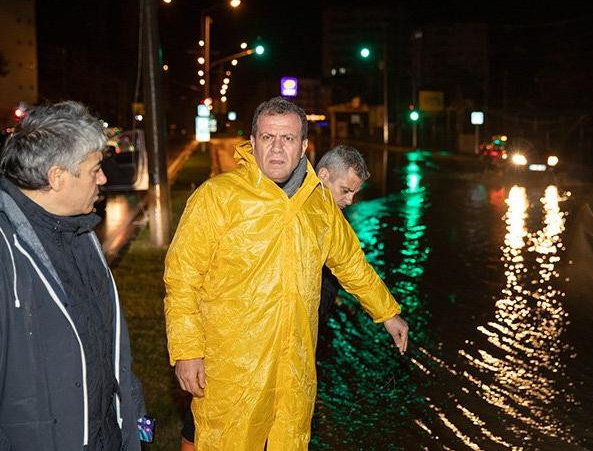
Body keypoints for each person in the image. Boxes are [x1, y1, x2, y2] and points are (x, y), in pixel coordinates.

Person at [164, 97, 408, 450]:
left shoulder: (320, 206)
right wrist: (187, 351)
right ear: (253, 141)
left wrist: (388, 313)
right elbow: (182, 278)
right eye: (268, 137)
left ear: (303, 146)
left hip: (293, 372)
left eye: (288, 139)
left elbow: (351, 263)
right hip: (233, 373)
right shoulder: (217, 197)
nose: (277, 148)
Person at [0, 101, 146, 450]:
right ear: (57, 177)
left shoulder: (81, 235)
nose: (104, 178)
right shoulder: (6, 251)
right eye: (95, 168)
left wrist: (133, 421)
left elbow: (108, 346)